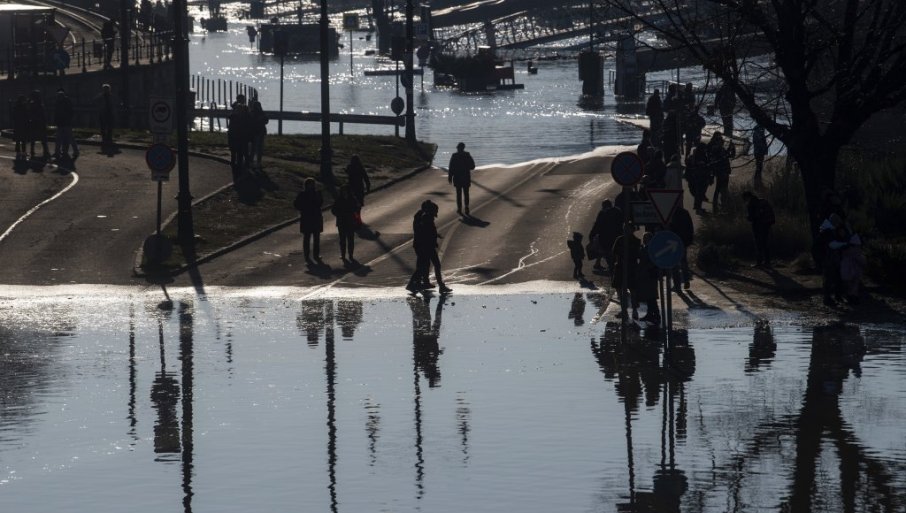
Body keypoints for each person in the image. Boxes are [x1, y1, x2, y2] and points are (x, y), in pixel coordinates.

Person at [407, 200, 451, 293]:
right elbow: (426, 232)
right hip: (426, 246)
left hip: (425, 245)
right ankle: (440, 286)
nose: (436, 213)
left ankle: (416, 283)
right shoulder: (426, 218)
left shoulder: (424, 217)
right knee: (434, 265)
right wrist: (433, 240)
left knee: (423, 266)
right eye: (436, 211)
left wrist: (435, 236)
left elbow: (428, 231)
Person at [612, 223, 641, 321]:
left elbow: (637, 254)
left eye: (627, 229)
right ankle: (623, 308)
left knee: (633, 290)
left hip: (631, 267)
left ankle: (634, 310)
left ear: (632, 230)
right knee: (619, 288)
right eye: (624, 228)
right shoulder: (619, 239)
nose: (626, 230)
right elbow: (614, 252)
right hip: (620, 266)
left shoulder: (636, 241)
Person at [293, 178, 323, 263]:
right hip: (307, 218)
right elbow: (296, 204)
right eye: (310, 184)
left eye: (312, 184)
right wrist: (303, 209)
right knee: (307, 238)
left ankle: (316, 255)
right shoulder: (302, 194)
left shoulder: (317, 193)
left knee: (316, 238)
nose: (311, 186)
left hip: (315, 218)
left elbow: (320, 203)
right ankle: (307, 256)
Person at [742, 191, 775, 268]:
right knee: (765, 243)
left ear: (747, 197)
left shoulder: (751, 204)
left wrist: (748, 218)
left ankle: (759, 262)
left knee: (758, 244)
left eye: (745, 198)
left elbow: (752, 217)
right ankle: (767, 262)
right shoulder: (762, 201)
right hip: (766, 225)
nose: (745, 200)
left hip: (757, 226)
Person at [588, 199, 623, 272]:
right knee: (614, 251)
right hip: (616, 235)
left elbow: (597, 225)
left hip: (605, 237)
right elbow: (621, 222)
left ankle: (611, 268)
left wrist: (592, 235)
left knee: (607, 252)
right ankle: (613, 267)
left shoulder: (603, 213)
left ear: (604, 206)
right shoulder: (618, 211)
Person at [331, 185, 360, 263]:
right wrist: (339, 214)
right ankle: (343, 255)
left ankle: (350, 255)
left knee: (351, 239)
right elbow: (333, 210)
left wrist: (354, 214)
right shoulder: (338, 200)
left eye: (346, 190)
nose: (345, 192)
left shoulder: (352, 199)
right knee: (342, 240)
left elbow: (357, 208)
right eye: (343, 191)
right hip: (341, 222)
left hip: (350, 221)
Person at [637, 232, 661, 324]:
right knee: (649, 296)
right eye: (644, 238)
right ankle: (651, 314)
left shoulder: (651, 249)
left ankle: (655, 315)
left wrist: (646, 268)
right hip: (646, 274)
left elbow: (652, 261)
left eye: (646, 238)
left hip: (650, 274)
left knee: (651, 296)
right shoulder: (646, 247)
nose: (644, 240)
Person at [670, 205, 694, 289]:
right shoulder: (684, 213)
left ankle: (677, 284)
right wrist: (689, 240)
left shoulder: (671, 213)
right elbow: (690, 227)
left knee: (674, 263)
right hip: (683, 241)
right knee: (683, 262)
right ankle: (685, 281)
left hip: (674, 241)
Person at [227, 95, 251, 180]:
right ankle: (239, 169)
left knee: (237, 153)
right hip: (239, 137)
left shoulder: (234, 115)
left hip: (237, 137)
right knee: (238, 153)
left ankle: (237, 169)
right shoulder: (244, 115)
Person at [448, 142, 475, 215]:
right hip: (466, 177)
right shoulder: (467, 155)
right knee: (466, 193)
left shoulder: (454, 155)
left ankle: (459, 209)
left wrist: (450, 177)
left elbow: (451, 167)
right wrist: (466, 167)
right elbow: (472, 166)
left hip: (457, 177)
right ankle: (466, 207)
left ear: (458, 148)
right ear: (463, 148)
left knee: (458, 194)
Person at [708, 132, 732, 214]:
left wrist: (730, 149)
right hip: (721, 171)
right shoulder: (716, 149)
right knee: (720, 189)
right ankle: (719, 207)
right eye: (721, 141)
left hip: (723, 171)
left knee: (721, 189)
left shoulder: (721, 149)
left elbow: (728, 156)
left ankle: (721, 207)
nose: (722, 142)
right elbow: (719, 160)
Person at [53, 88, 79, 163]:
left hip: (64, 123)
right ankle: (71, 151)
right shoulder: (66, 101)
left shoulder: (60, 102)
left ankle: (59, 152)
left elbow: (57, 113)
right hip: (65, 123)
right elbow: (70, 112)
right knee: (68, 138)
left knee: (62, 138)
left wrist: (56, 120)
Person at [685, 143, 710, 213]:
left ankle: (697, 207)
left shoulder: (697, 156)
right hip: (698, 177)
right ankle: (698, 208)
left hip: (696, 177)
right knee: (699, 193)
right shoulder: (699, 156)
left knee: (698, 193)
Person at [28, 90, 50, 160]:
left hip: (35, 123)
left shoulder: (34, 104)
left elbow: (30, 113)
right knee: (42, 138)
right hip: (38, 123)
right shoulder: (39, 104)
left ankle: (33, 151)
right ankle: (45, 151)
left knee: (35, 138)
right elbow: (43, 114)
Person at [248, 98, 268, 169]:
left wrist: (261, 119)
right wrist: (259, 119)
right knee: (254, 148)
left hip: (260, 132)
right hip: (255, 132)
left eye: (258, 105)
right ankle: (251, 161)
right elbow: (251, 122)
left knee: (259, 148)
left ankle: (258, 162)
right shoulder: (252, 113)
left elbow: (266, 120)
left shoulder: (261, 113)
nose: (258, 107)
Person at [98, 84, 115, 153]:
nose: (106, 90)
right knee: (103, 127)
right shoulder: (101, 96)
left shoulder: (111, 96)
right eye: (105, 89)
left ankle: (109, 138)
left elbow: (114, 104)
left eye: (107, 89)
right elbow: (95, 101)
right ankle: (105, 139)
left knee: (109, 127)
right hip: (103, 113)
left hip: (109, 113)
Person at [13, 95, 29, 161]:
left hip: (17, 125)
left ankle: (18, 151)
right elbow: (26, 116)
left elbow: (14, 116)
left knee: (18, 139)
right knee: (23, 139)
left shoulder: (16, 107)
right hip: (23, 125)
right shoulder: (24, 107)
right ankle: (23, 152)